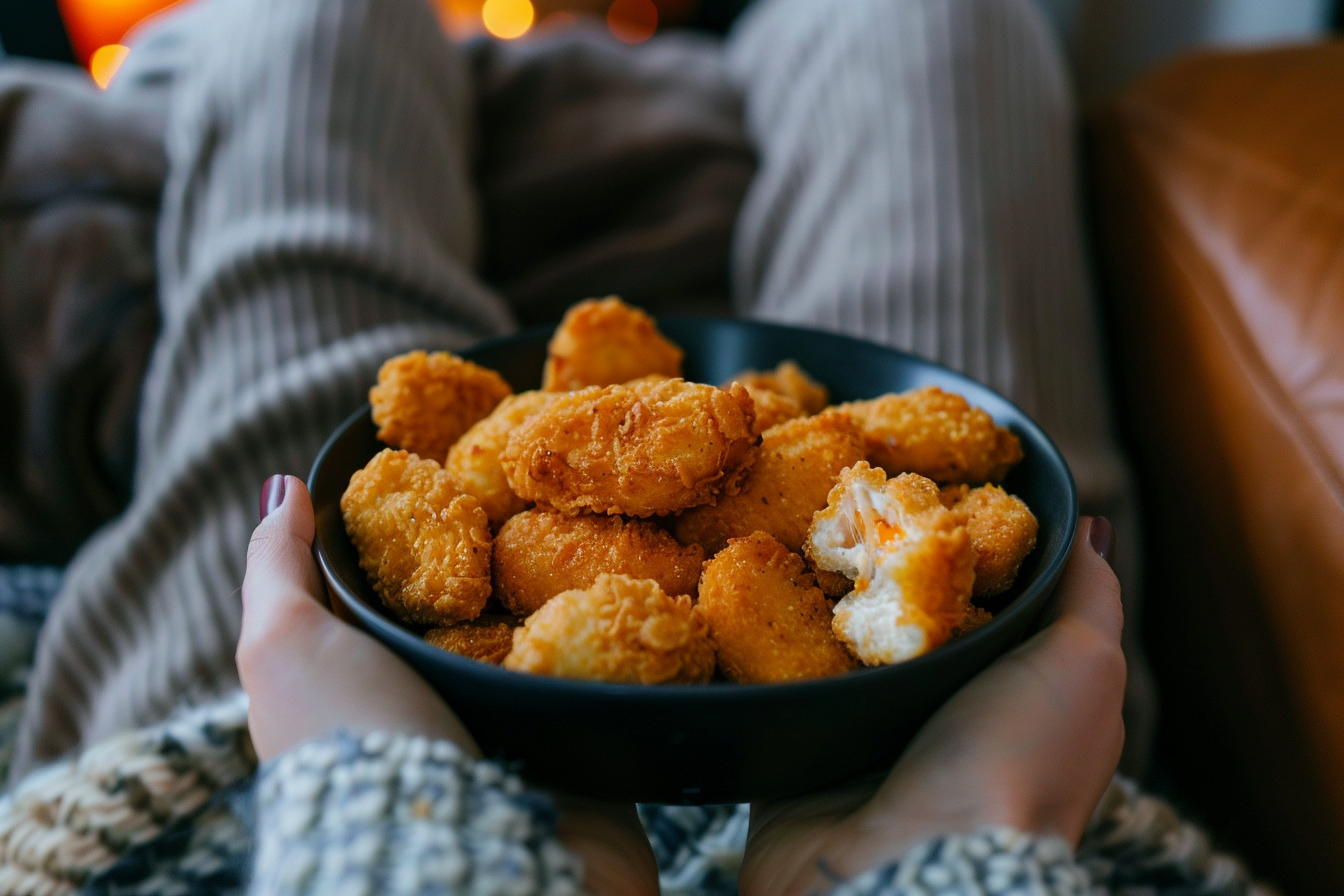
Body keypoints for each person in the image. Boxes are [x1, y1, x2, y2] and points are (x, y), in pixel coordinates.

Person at [0, 0, 1266, 891]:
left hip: (225, 792)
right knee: (939, 28)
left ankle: (245, 55)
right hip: (943, 772)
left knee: (311, 136)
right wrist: (950, 844)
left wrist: (381, 785)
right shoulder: (1003, 798)